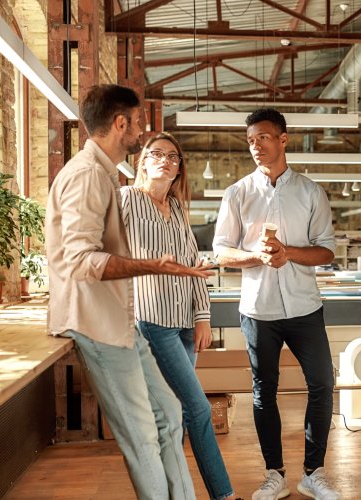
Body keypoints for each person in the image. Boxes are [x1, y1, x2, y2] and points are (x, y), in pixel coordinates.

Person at [45, 84, 213, 499]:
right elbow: (81, 260)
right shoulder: (87, 176)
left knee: (171, 415)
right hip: (96, 324)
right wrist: (154, 266)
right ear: (120, 124)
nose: (142, 131)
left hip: (122, 322)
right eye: (138, 123)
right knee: (142, 435)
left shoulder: (103, 174)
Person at [212, 108, 340, 500]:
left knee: (322, 383)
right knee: (263, 391)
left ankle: (313, 473)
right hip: (258, 310)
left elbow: (327, 252)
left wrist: (289, 254)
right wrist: (258, 257)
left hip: (305, 308)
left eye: (263, 137)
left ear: (283, 139)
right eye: (250, 139)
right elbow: (220, 252)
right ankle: (275, 475)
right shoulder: (237, 194)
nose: (256, 145)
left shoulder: (311, 192)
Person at [120, 132, 236, 500]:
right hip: (153, 322)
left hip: (186, 324)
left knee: (174, 420)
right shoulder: (125, 200)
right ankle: (224, 494)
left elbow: (195, 266)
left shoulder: (177, 209)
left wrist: (204, 317)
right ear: (143, 161)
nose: (167, 161)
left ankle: (176, 491)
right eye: (158, 154)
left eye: (174, 157)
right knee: (198, 410)